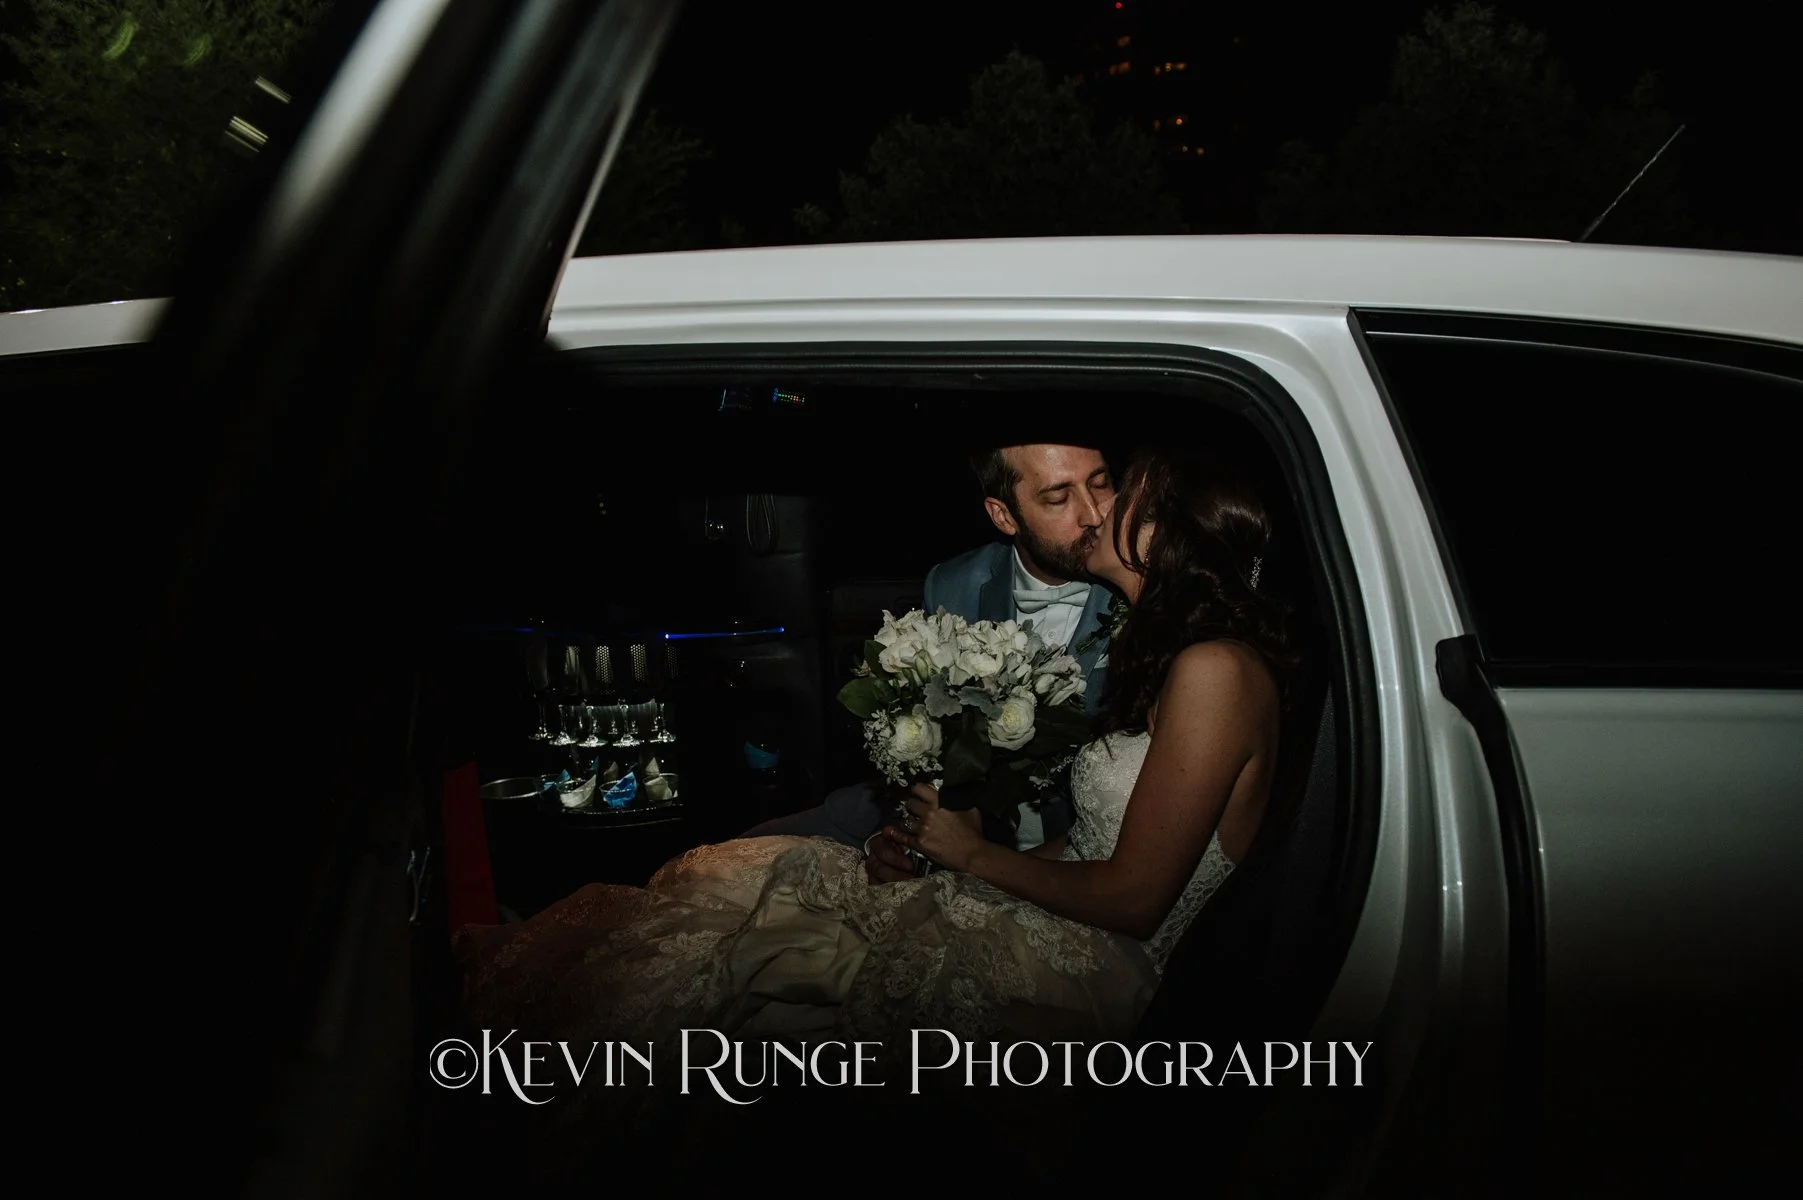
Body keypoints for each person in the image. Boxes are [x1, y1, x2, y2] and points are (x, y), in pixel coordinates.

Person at [453, 441, 1305, 1181]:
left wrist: (970, 859)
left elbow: (1134, 897)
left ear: (1161, 534)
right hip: (1057, 896)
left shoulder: (1213, 672)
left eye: (1119, 491)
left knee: (775, 977)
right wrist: (943, 851)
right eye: (1069, 492)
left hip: (1105, 960)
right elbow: (1093, 841)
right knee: (755, 880)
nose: (1097, 508)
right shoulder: (1172, 655)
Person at [742, 441, 1119, 866]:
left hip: (1073, 849)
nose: (1095, 514)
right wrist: (897, 841)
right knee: (742, 856)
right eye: (1058, 497)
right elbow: (932, 757)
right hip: (949, 821)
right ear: (1004, 515)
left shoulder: (1147, 593)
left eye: (1102, 484)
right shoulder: (954, 583)